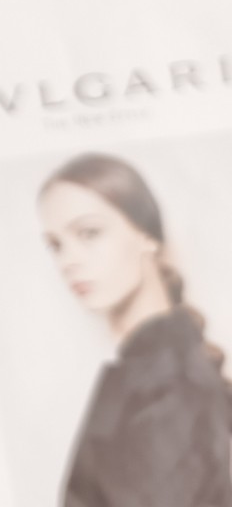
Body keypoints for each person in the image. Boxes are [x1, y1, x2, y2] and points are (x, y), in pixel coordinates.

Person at [37, 152, 232, 507]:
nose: (68, 261)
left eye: (89, 233)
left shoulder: (168, 387)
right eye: (56, 245)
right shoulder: (147, 370)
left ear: (147, 235)